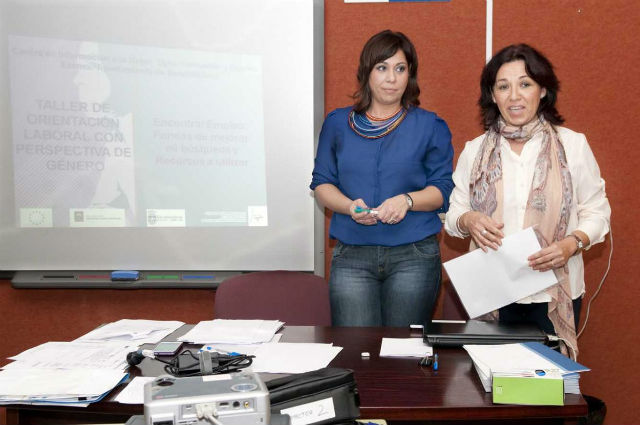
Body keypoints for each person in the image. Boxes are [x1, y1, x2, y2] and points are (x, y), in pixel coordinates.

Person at [445, 44, 611, 356]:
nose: (514, 96)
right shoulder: (475, 150)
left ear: (543, 90)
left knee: (547, 393)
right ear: (492, 95)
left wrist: (572, 243)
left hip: (554, 292)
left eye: (525, 84)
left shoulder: (572, 146)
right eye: (503, 86)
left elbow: (598, 212)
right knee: (492, 391)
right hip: (493, 293)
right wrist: (468, 220)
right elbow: (455, 215)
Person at [310, 30, 454, 327]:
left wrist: (407, 200)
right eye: (382, 68)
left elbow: (443, 190)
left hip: (414, 255)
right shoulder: (337, 123)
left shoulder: (430, 125)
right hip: (352, 255)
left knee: (404, 356)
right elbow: (321, 184)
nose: (392, 78)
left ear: (410, 75)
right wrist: (350, 207)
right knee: (355, 353)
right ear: (367, 72)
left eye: (400, 69)